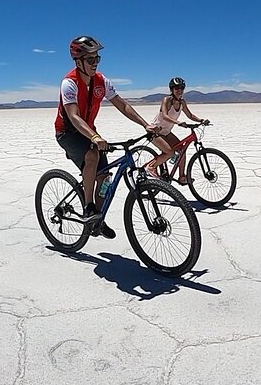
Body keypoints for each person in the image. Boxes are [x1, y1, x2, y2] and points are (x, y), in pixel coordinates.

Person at [55, 36, 158, 239]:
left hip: (90, 132)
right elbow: (74, 116)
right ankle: (89, 208)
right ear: (79, 62)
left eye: (97, 59)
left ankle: (97, 221)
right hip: (68, 133)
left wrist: (145, 124)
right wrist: (94, 136)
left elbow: (122, 105)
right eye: (90, 59)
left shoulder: (102, 81)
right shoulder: (70, 83)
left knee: (105, 178)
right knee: (92, 157)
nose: (95, 63)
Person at [145, 77, 208, 185]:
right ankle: (150, 167)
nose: (179, 90)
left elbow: (190, 115)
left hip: (166, 132)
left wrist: (201, 120)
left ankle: (182, 177)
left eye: (182, 88)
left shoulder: (182, 102)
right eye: (177, 88)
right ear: (172, 89)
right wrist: (178, 122)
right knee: (170, 152)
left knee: (182, 151)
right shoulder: (167, 100)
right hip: (155, 131)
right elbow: (164, 116)